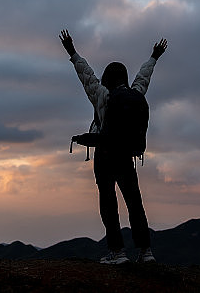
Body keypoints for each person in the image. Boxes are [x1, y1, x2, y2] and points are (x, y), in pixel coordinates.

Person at [59, 29, 167, 264]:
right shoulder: (135, 93)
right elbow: (143, 78)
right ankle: (145, 251)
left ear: (107, 77)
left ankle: (117, 253)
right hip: (126, 155)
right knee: (134, 202)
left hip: (106, 154)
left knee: (109, 203)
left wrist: (72, 52)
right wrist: (154, 57)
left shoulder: (102, 95)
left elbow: (86, 76)